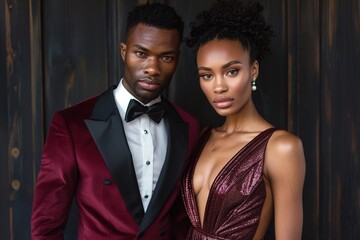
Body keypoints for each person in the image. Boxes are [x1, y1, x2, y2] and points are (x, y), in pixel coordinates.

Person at [31, 2, 199, 239]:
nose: (152, 68)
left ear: (177, 59)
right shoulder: (72, 124)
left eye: (166, 57)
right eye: (141, 53)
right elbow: (46, 224)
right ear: (124, 51)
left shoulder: (188, 126)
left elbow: (183, 219)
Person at [181, 0, 306, 239]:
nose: (218, 86)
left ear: (254, 70)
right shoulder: (201, 136)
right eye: (207, 75)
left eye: (231, 71)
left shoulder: (280, 148)